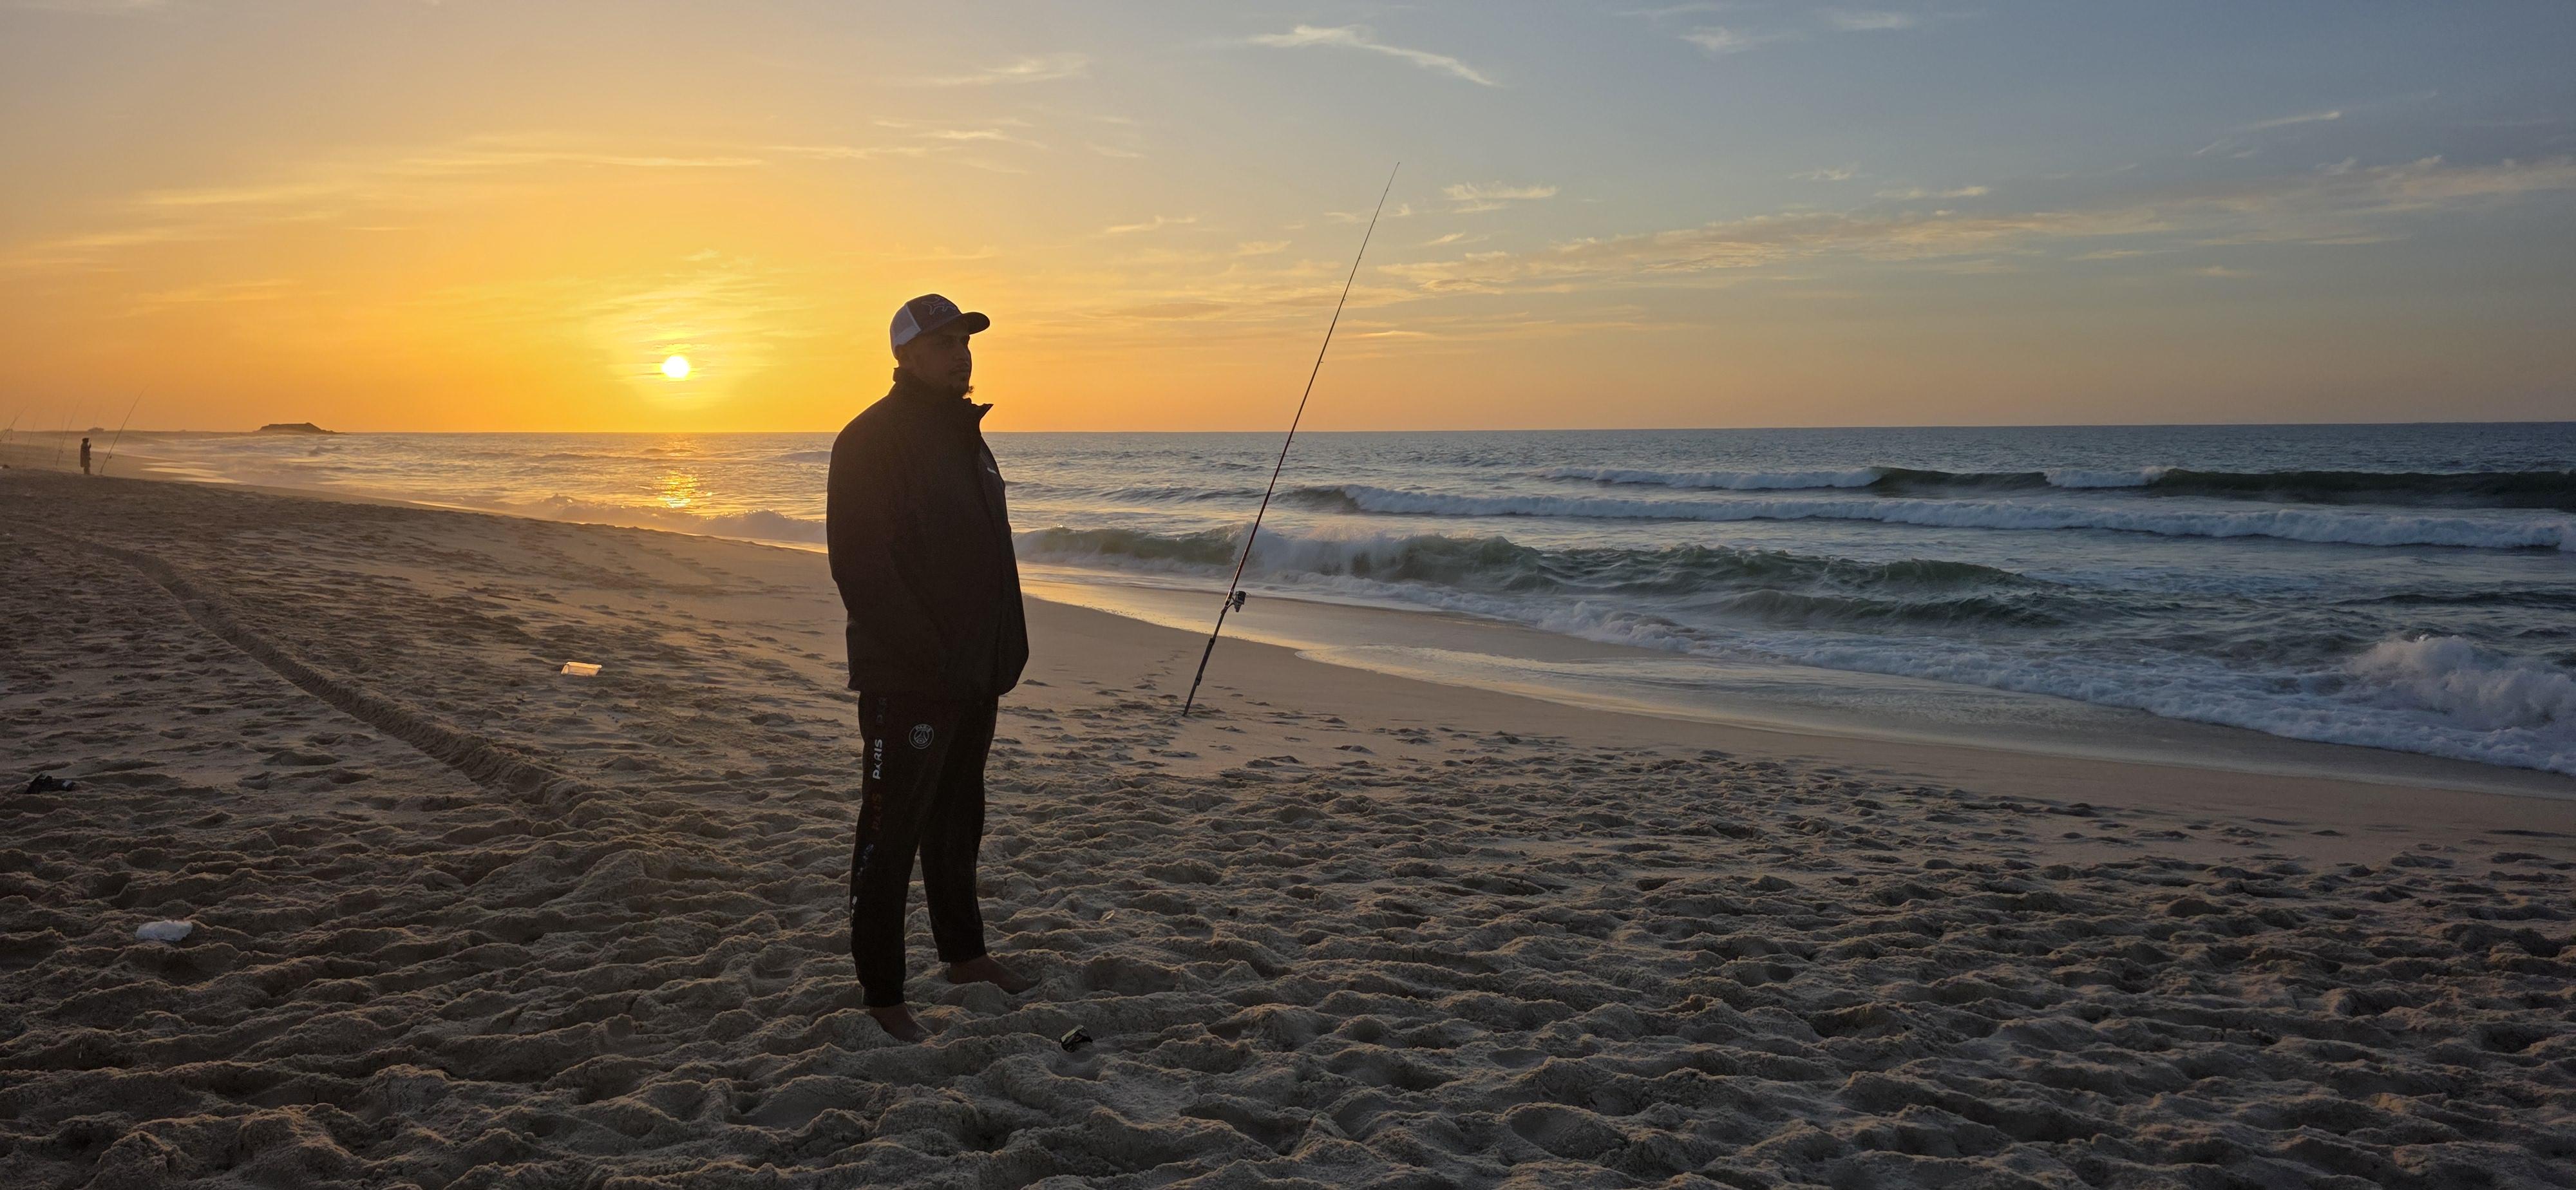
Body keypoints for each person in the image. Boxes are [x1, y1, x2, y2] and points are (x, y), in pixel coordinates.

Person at [826, 293, 1036, 1043]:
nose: (961, 354)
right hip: (909, 677)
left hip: (974, 671)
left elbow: (987, 554)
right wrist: (930, 655)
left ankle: (964, 954)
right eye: (944, 343)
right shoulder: (871, 440)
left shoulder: (964, 435)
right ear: (907, 355)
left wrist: (1003, 647)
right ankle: (883, 994)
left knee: (958, 819)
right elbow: (861, 567)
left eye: (965, 341)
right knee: (890, 833)